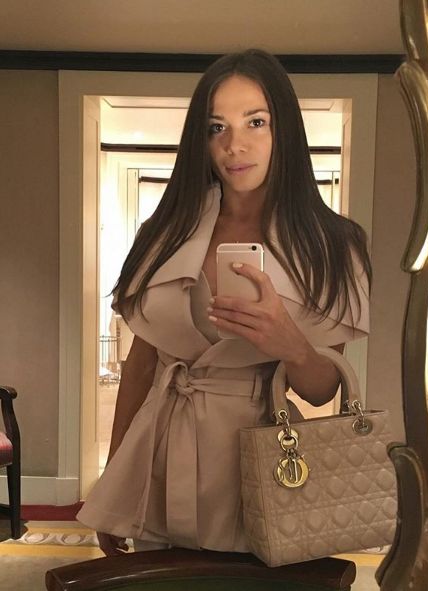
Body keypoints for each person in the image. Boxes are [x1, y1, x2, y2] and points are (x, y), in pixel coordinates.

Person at [77, 48, 371, 556]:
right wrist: (114, 482)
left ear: (284, 130)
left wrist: (291, 345)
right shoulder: (162, 234)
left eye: (256, 122)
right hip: (160, 455)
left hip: (261, 460)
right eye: (217, 127)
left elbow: (322, 390)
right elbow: (140, 366)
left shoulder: (332, 244)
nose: (235, 145)